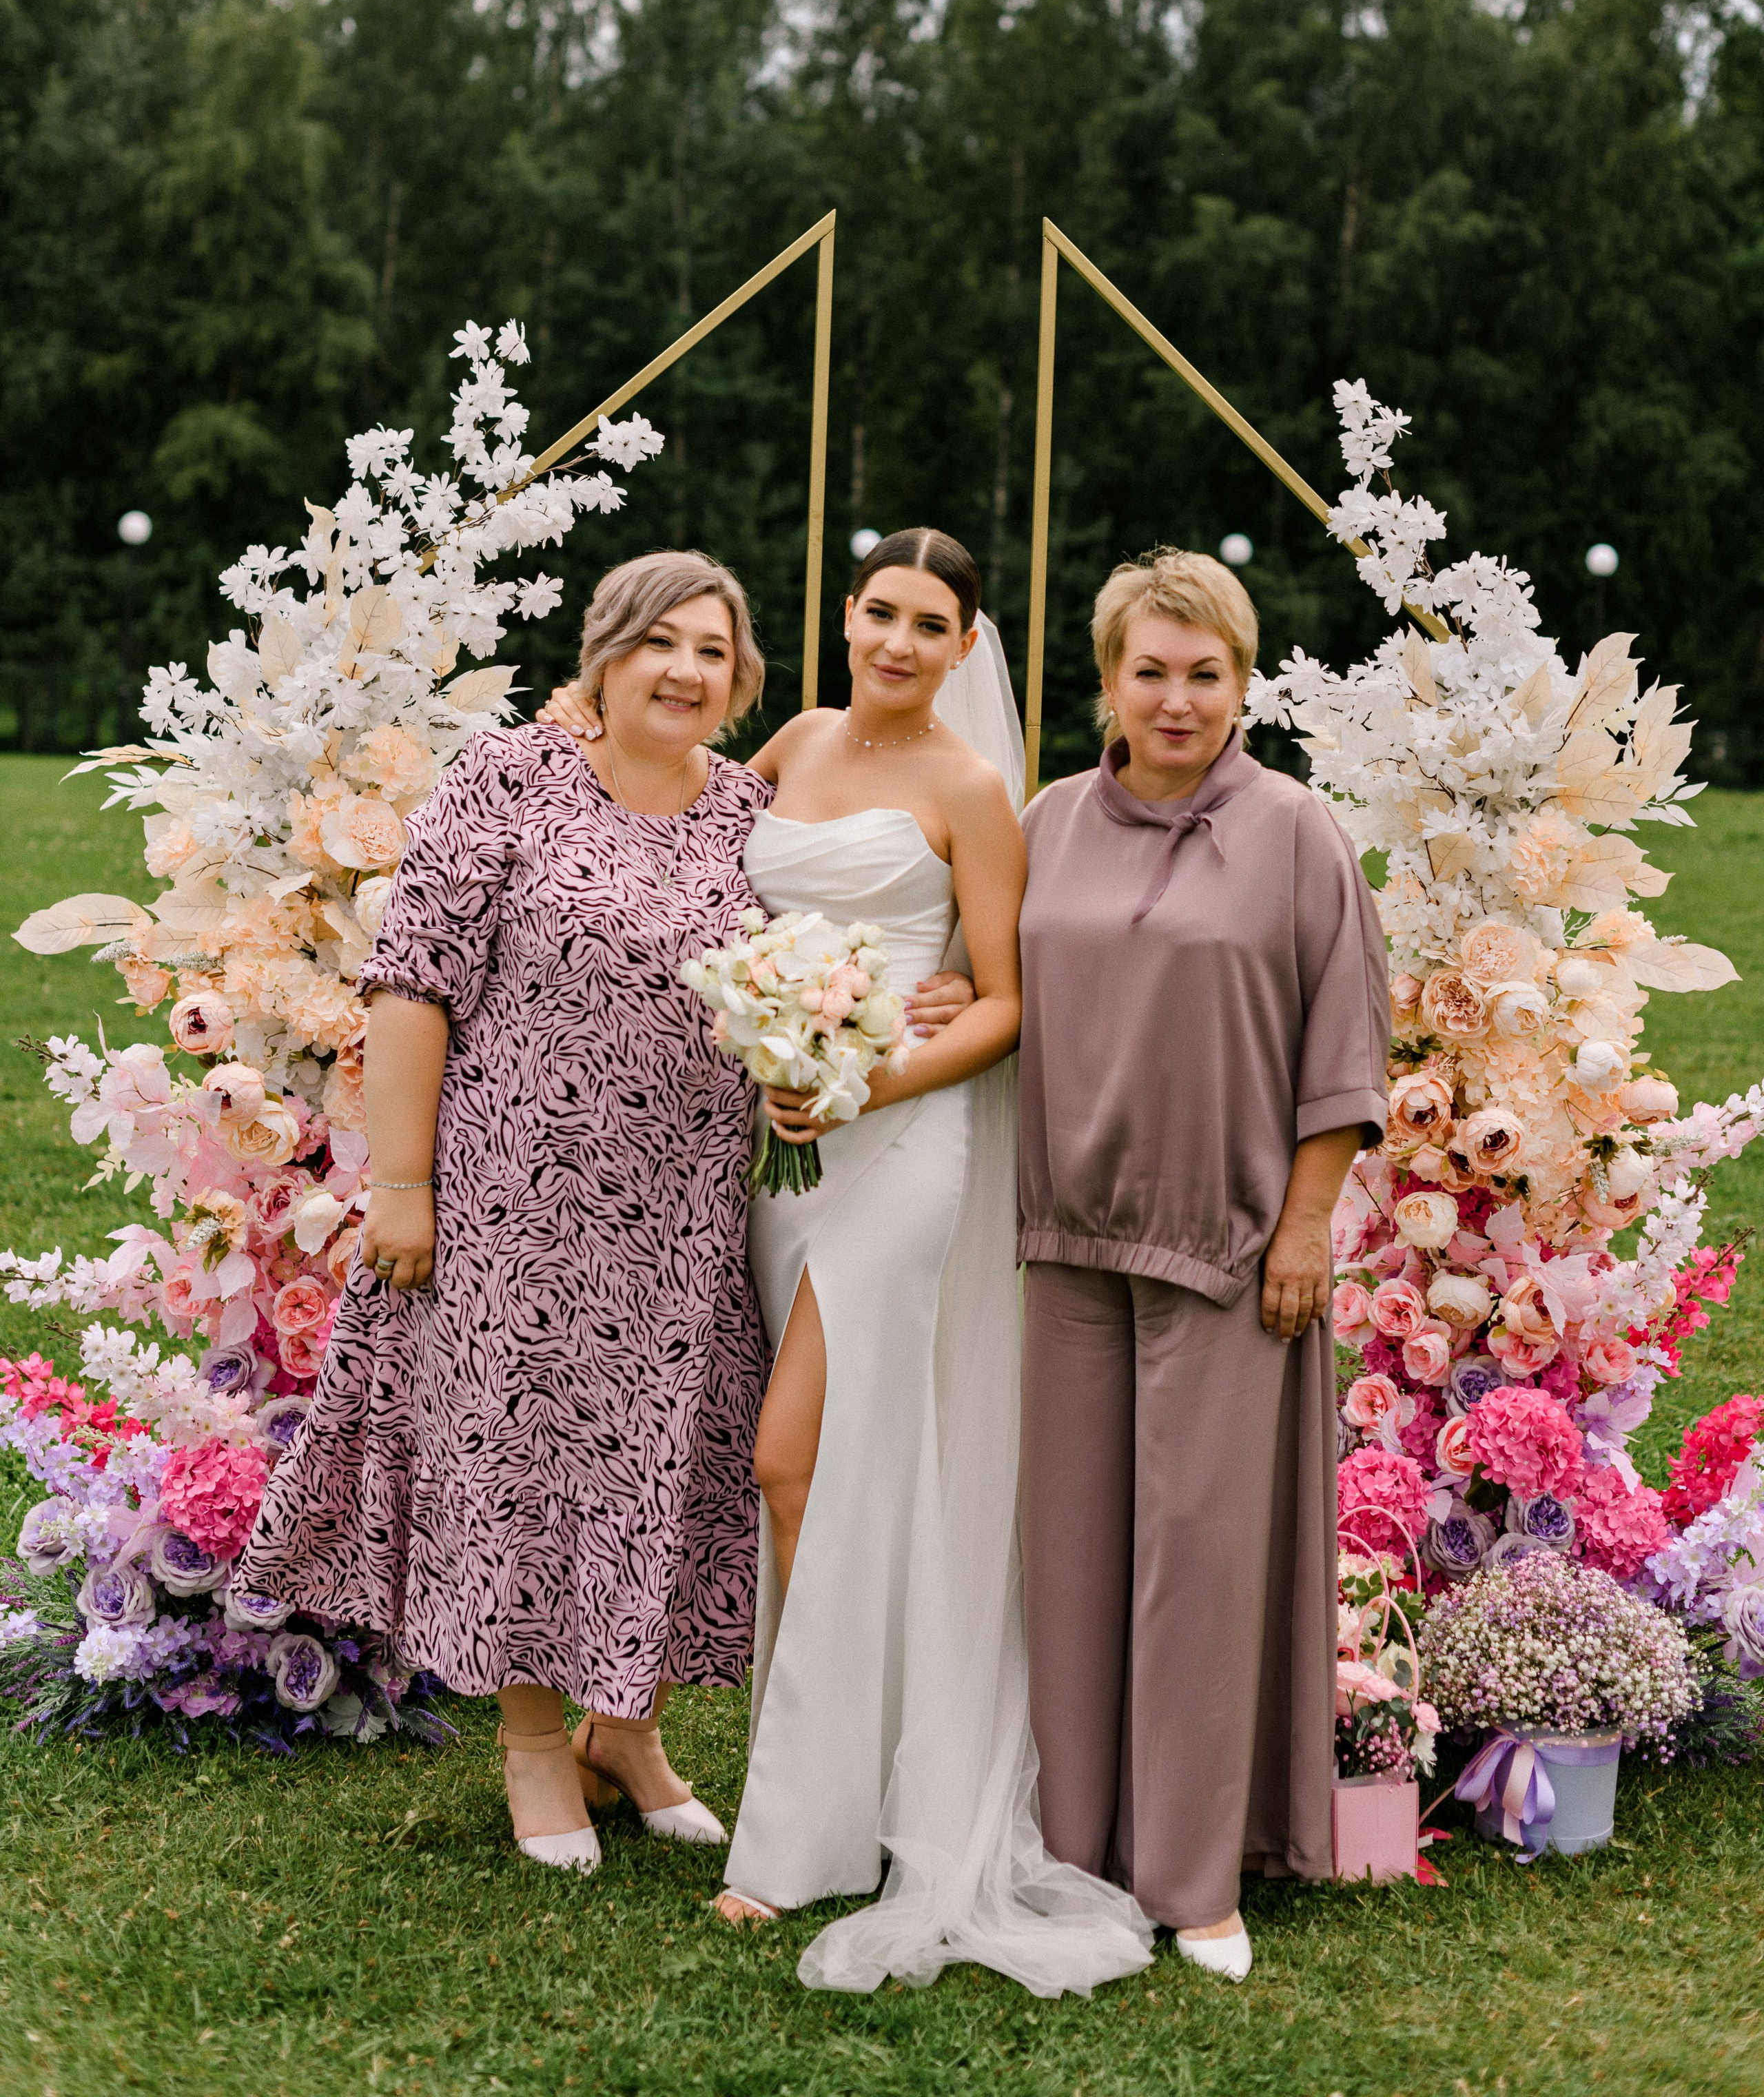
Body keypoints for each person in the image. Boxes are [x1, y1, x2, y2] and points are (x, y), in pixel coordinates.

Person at [240, 551, 952, 1869]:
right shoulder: (508, 780)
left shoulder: (745, 810)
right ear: (606, 654)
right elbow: (412, 985)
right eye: (659, 643)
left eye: (712, 650)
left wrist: (930, 993)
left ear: (741, 678)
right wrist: (402, 1186)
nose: (685, 671)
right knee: (520, 1460)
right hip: (514, 1202)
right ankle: (531, 1745)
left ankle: (627, 1732)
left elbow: (837, 943)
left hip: (688, 1215)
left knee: (665, 1462)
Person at [544, 529, 1151, 1993]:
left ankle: (801, 1830)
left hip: (900, 1137)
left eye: (929, 624)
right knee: (841, 1468)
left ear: (964, 646)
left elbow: (1002, 1000)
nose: (895, 642)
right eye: (880, 612)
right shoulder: (796, 744)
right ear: (846, 615)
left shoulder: (971, 789)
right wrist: (582, 727)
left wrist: (871, 1073)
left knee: (788, 1458)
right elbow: (698, 845)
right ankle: (849, 1767)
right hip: (785, 1150)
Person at [1014, 548, 1390, 1981]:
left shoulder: (1294, 831)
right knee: (1067, 1556)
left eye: (1205, 674)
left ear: (1242, 685)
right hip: (1061, 1239)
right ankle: (1070, 1854)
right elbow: (991, 992)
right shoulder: (1046, 821)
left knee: (1199, 1561)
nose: (1176, 700)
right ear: (1106, 682)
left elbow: (1343, 1044)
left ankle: (1193, 1882)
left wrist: (1304, 1227)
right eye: (1150, 672)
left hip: (1231, 1249)